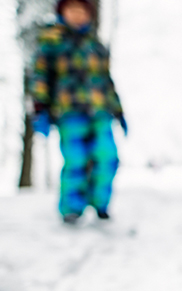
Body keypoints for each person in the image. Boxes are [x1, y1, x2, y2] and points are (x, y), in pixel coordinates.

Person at [30, 0, 126, 224]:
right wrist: (40, 107)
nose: (77, 15)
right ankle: (72, 208)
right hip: (69, 112)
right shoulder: (52, 42)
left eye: (81, 10)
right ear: (62, 13)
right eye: (71, 10)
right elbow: (40, 76)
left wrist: (119, 111)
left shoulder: (95, 46)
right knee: (75, 160)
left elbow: (106, 81)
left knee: (107, 156)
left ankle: (100, 202)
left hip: (100, 111)